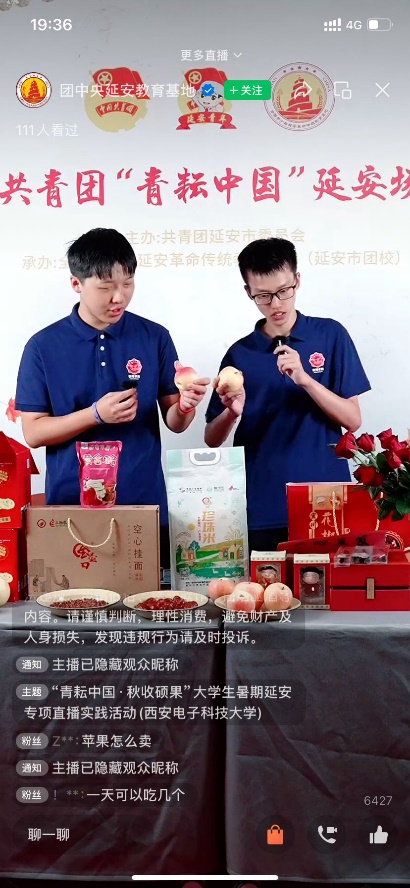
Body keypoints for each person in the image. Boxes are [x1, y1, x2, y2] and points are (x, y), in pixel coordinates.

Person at [15, 228, 209, 567]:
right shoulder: (43, 346)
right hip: (71, 510)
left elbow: (176, 422)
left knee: (151, 596)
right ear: (76, 283)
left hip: (144, 507)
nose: (119, 297)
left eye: (128, 284)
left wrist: (185, 406)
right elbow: (33, 432)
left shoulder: (154, 337)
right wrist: (95, 414)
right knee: (76, 595)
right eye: (105, 287)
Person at [204, 237, 371, 552]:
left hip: (325, 498)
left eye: (283, 291)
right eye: (263, 296)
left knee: (330, 582)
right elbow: (211, 438)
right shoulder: (240, 353)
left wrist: (306, 380)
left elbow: (353, 420)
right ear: (248, 292)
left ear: (297, 280)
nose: (276, 304)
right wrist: (231, 413)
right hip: (261, 501)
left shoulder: (330, 335)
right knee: (265, 584)